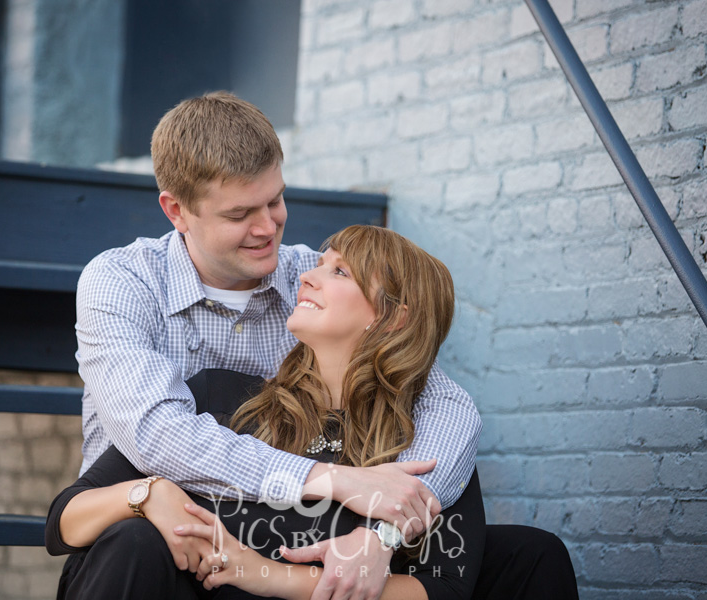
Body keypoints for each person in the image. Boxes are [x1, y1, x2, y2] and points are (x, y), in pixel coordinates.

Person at [69, 91, 484, 598]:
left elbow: (442, 402)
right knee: (136, 543)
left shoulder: (307, 280)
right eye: (240, 213)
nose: (267, 228)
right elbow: (158, 435)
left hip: (274, 546)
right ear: (177, 210)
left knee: (528, 555)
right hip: (148, 540)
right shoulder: (122, 282)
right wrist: (332, 480)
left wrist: (386, 529)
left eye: (275, 201)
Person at [47, 225, 495, 599]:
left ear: (393, 319)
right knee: (132, 539)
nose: (308, 276)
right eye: (321, 264)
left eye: (339, 271)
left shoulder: (420, 443)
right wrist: (147, 493)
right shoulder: (224, 398)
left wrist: (266, 573)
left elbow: (445, 586)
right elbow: (63, 519)